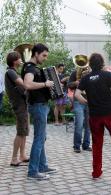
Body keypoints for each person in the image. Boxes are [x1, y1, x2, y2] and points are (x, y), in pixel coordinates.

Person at [74, 53, 111, 179]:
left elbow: (77, 94)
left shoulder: (86, 78)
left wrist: (87, 102)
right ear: (102, 63)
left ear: (90, 64)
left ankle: (96, 172)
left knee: (96, 143)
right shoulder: (108, 75)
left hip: (94, 115)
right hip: (109, 113)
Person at [22, 43, 56, 180]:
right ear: (36, 53)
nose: (45, 58)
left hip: (39, 105)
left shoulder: (34, 68)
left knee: (42, 137)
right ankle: (33, 172)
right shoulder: (30, 68)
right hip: (38, 106)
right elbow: (27, 84)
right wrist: (45, 84)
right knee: (39, 139)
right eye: (44, 55)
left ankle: (42, 166)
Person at [5, 51, 30, 166]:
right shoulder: (11, 72)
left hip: (22, 104)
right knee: (20, 132)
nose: (21, 60)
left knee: (24, 131)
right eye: (19, 58)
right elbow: (23, 84)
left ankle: (22, 155)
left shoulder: (14, 71)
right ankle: (14, 158)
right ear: (14, 61)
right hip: (19, 105)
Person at [68, 67, 91, 153]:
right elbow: (69, 84)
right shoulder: (75, 73)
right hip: (78, 102)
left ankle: (86, 145)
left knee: (88, 125)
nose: (84, 66)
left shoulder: (90, 73)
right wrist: (76, 82)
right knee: (79, 124)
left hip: (89, 101)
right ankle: (77, 146)